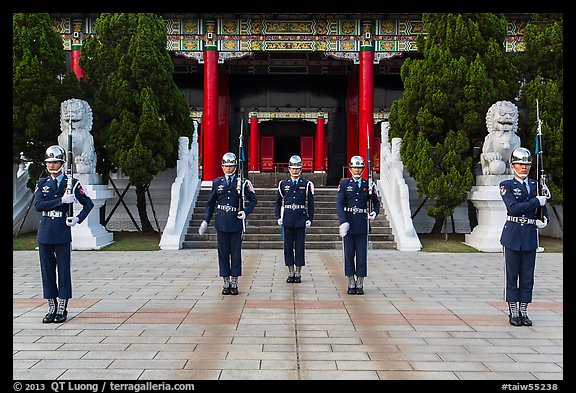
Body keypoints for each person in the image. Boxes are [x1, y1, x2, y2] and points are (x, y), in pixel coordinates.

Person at [33, 145, 94, 323]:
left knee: (63, 271)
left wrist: (77, 219)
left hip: (61, 230)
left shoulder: (72, 183)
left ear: (62, 163)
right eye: (49, 162)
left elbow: (88, 204)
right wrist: (61, 200)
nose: (51, 166)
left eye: (55, 162)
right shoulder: (42, 183)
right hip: (45, 231)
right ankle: (51, 307)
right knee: (47, 271)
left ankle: (62, 308)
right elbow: (38, 206)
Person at [499, 147, 549, 326]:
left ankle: (524, 311)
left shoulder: (536, 185)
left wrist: (544, 219)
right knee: (512, 275)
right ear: (513, 166)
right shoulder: (507, 186)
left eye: (527, 164)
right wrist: (536, 201)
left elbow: (542, 209)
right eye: (520, 164)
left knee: (527, 276)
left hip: (529, 235)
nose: (524, 167)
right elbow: (513, 208)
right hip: (512, 235)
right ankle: (513, 312)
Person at [198, 152, 257, 295]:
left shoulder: (242, 182)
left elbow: (253, 200)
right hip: (222, 223)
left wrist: (245, 212)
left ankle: (235, 282)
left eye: (231, 166)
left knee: (235, 254)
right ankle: (226, 282)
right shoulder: (217, 183)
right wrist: (206, 220)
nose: (228, 169)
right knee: (223, 254)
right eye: (226, 166)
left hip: (235, 222)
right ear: (222, 167)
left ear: (236, 167)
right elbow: (210, 203)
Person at [336, 156, 380, 295]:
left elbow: (376, 202)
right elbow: (339, 204)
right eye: (355, 167)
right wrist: (343, 221)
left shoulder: (369, 184)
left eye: (360, 168)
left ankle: (360, 282)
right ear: (350, 169)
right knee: (349, 254)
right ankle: (350, 281)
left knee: (361, 255)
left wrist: (374, 212)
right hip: (348, 222)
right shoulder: (344, 184)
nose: (357, 170)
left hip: (362, 223)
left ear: (363, 169)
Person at [275, 155, 314, 283]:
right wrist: (278, 217)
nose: (295, 171)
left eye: (297, 168)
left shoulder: (306, 184)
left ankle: (298, 272)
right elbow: (278, 202)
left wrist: (310, 218)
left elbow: (311, 204)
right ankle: (290, 271)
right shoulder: (283, 184)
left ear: (301, 169)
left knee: (299, 247)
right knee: (287, 247)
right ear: (289, 169)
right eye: (293, 168)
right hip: (287, 218)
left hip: (300, 218)